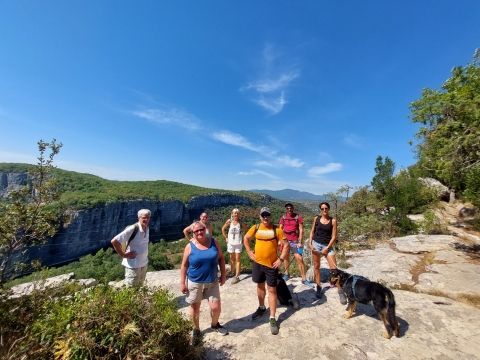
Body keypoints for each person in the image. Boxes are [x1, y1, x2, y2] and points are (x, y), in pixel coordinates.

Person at [180, 221, 228, 344]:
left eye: (201, 229)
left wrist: (223, 274)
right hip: (195, 282)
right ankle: (196, 330)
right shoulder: (190, 246)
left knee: (216, 307)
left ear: (205, 229)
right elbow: (184, 265)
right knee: (195, 307)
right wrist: (182, 283)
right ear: (193, 233)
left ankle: (215, 324)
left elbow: (221, 258)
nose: (199, 232)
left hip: (212, 281)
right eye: (196, 231)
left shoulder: (214, 242)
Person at [243, 207, 289, 335]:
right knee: (260, 286)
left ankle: (272, 318)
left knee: (272, 290)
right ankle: (262, 307)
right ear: (260, 217)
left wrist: (280, 259)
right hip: (258, 263)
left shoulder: (277, 230)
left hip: (271, 265)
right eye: (263, 215)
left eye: (267, 215)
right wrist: (249, 252)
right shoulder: (256, 227)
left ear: (270, 216)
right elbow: (246, 238)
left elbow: (286, 245)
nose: (265, 217)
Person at [308, 202, 347, 304]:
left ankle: (340, 289)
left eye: (326, 208)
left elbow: (334, 236)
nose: (324, 210)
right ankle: (319, 287)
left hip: (327, 246)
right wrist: (310, 243)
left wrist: (327, 248)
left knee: (334, 268)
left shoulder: (333, 221)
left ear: (329, 209)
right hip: (316, 244)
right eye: (322, 208)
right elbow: (312, 231)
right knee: (316, 266)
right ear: (320, 209)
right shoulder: (316, 219)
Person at [111, 209, 151, 287]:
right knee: (131, 289)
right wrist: (123, 255)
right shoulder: (133, 228)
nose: (146, 219)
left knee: (140, 286)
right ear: (138, 218)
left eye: (148, 217)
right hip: (133, 265)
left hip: (143, 264)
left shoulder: (147, 227)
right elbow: (114, 241)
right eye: (144, 217)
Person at [279, 203, 310, 286]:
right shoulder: (283, 217)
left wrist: (300, 241)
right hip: (285, 240)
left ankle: (304, 278)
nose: (289, 210)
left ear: (293, 208)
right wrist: (280, 240)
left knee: (299, 258)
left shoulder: (297, 217)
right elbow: (280, 229)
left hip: (294, 241)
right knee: (286, 257)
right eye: (288, 208)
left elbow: (301, 229)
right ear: (286, 209)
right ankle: (286, 274)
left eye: (291, 208)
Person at [221, 208, 247, 284]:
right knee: (231, 258)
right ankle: (232, 272)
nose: (236, 214)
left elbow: (246, 229)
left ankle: (237, 276)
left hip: (238, 243)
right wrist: (226, 237)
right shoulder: (229, 222)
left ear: (239, 215)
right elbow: (223, 229)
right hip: (230, 243)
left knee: (238, 259)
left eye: (237, 213)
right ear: (232, 214)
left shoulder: (241, 222)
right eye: (234, 213)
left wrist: (243, 237)